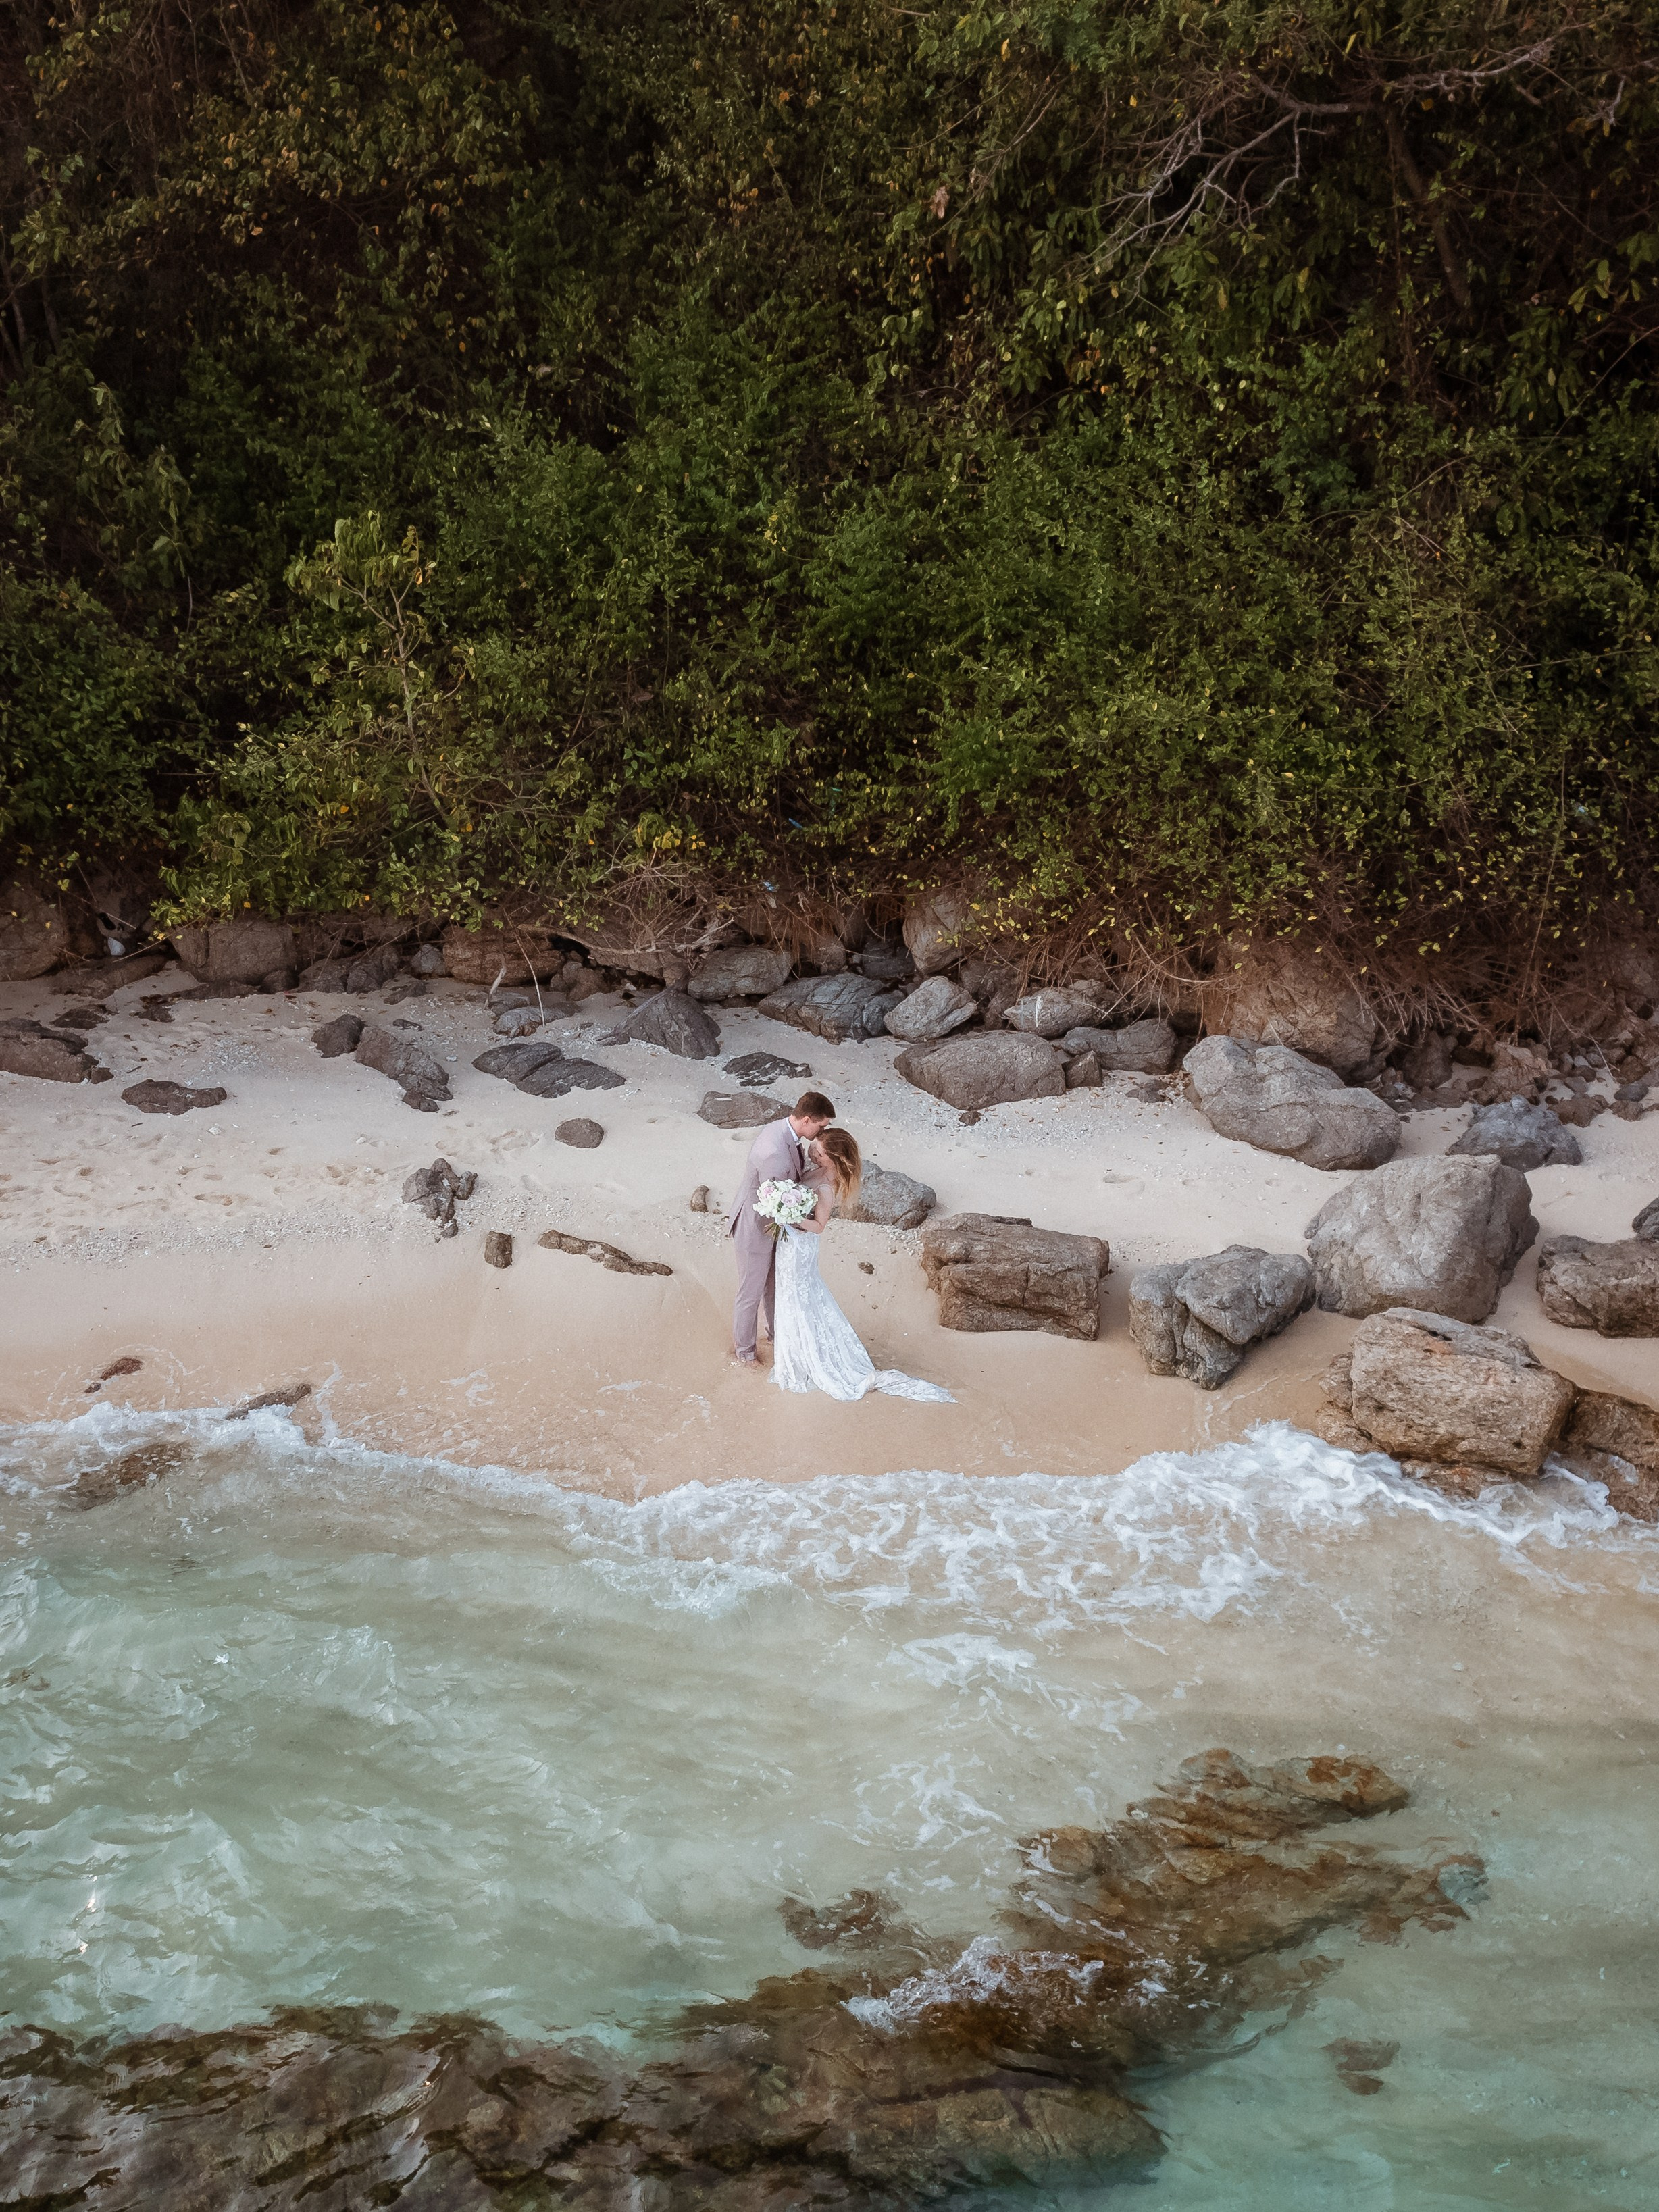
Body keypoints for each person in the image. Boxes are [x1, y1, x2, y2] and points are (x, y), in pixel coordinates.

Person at [771, 1126, 953, 1404]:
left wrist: (789, 1217)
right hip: (791, 1242)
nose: (812, 1153)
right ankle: (794, 1350)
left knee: (797, 1295)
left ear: (832, 1158)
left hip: (800, 1244)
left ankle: (806, 1358)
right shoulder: (815, 1170)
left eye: (818, 1152)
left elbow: (819, 1227)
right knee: (789, 1294)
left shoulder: (826, 1187)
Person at [728, 1090, 835, 1367]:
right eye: (822, 1125)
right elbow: (775, 1200)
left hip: (773, 1228)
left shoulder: (785, 1130)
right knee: (750, 1293)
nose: (824, 1131)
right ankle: (745, 1353)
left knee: (773, 1286)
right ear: (808, 1120)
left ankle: (777, 1335)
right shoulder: (775, 1151)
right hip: (755, 1228)